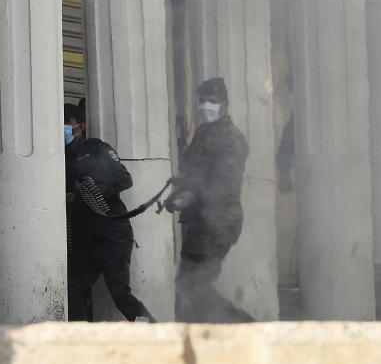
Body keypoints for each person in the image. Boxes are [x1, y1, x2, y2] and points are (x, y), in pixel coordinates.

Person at [168, 77, 254, 323]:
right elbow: (196, 170)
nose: (206, 107)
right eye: (202, 101)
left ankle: (245, 328)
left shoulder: (231, 138)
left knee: (195, 285)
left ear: (225, 104)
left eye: (212, 101)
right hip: (201, 220)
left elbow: (225, 184)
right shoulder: (205, 132)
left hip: (218, 222)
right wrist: (181, 187)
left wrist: (190, 196)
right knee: (190, 284)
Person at [64, 102, 155, 322]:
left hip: (112, 234)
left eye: (68, 122)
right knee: (71, 294)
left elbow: (125, 179)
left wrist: (98, 188)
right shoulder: (59, 158)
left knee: (121, 295)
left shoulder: (96, 148)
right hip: (84, 240)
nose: (63, 127)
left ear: (81, 126)